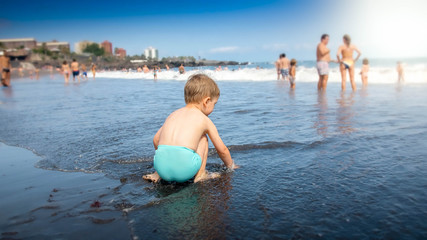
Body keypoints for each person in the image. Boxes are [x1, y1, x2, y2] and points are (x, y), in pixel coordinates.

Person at [143, 74, 238, 183]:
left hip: (161, 168)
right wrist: (230, 166)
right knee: (203, 138)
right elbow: (222, 150)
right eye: (214, 104)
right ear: (206, 101)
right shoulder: (204, 119)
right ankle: (201, 174)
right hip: (185, 170)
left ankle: (156, 174)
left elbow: (156, 139)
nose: (214, 107)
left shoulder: (173, 114)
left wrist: (165, 160)